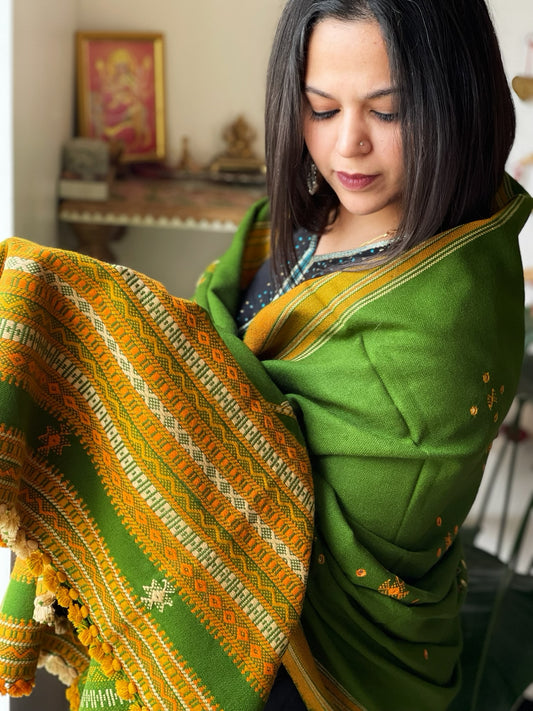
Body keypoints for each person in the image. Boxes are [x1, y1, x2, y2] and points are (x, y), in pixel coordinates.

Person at [0, 2, 530, 711]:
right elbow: (214, 346)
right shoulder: (311, 211)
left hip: (316, 653)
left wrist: (94, 332)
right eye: (319, 107)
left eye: (389, 111)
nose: (347, 146)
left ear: (457, 99)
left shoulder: (446, 313)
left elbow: (298, 516)